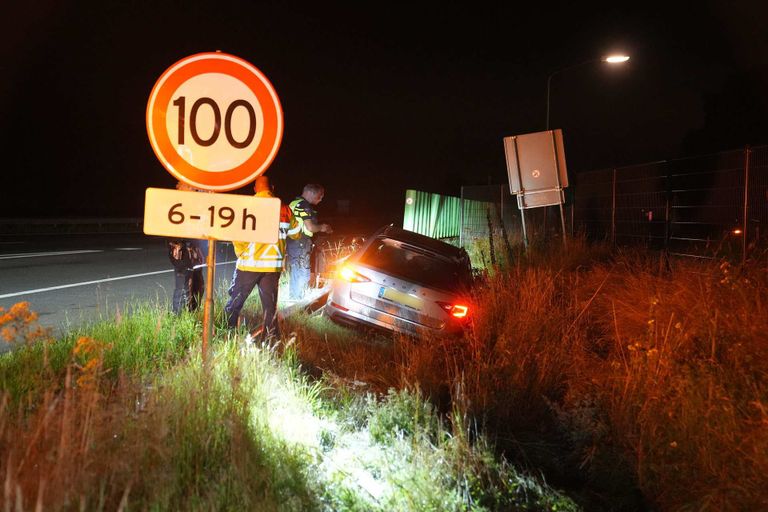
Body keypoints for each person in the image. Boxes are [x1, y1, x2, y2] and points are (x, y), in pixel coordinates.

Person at [224, 175, 300, 340]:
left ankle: (226, 334)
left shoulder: (248, 207)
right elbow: (295, 234)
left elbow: (237, 235)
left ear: (254, 189)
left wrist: (241, 252)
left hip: (248, 266)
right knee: (270, 308)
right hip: (272, 268)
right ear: (272, 188)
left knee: (235, 303)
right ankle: (271, 341)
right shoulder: (285, 210)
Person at [287, 183, 332, 300]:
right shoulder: (304, 205)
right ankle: (299, 300)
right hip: (300, 242)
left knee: (296, 270)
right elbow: (310, 227)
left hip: (293, 242)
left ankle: (294, 297)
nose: (321, 199)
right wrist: (322, 227)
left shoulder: (294, 203)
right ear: (311, 193)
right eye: (320, 195)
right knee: (303, 271)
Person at [167, 182, 207, 314]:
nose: (194, 189)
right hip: (182, 255)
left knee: (198, 287)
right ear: (179, 188)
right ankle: (178, 319)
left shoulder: (193, 206)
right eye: (190, 187)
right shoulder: (177, 208)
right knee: (183, 288)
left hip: (194, 255)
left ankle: (192, 314)